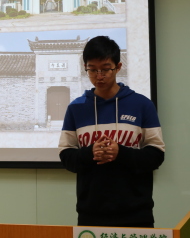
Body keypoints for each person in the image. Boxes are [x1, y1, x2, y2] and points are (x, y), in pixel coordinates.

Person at [58, 36, 165, 228]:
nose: (99, 76)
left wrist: (120, 153)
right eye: (92, 69)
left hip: (137, 214)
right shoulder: (76, 108)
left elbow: (156, 156)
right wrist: (90, 152)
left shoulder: (142, 105)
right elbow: (66, 157)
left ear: (118, 67)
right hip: (90, 214)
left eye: (106, 69)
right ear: (85, 68)